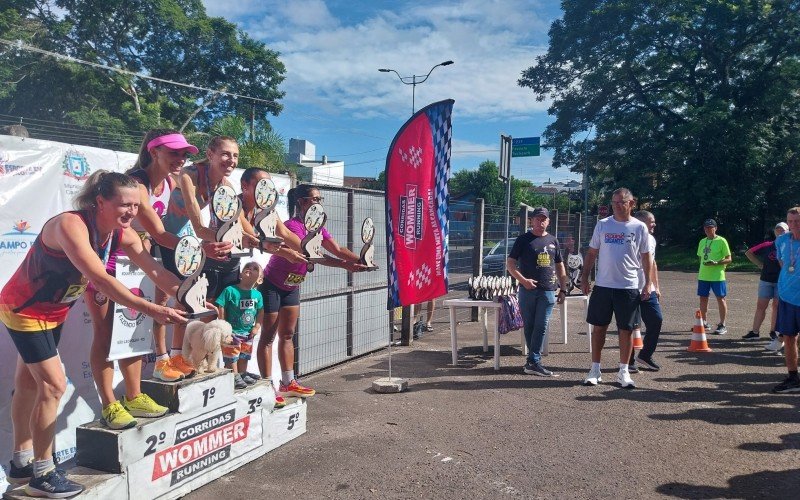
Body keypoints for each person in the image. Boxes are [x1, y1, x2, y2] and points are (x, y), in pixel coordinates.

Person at [0, 171, 187, 498]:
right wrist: (151, 309)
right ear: (99, 201)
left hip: (53, 313)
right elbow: (100, 280)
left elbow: (154, 270)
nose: (130, 212)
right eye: (123, 205)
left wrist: (189, 294)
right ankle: (43, 474)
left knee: (29, 384)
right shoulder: (70, 225)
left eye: (135, 205)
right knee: (53, 385)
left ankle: (21, 461)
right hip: (25, 310)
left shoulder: (121, 233)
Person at [160, 135, 259, 377]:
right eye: (226, 154)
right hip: (167, 239)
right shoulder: (190, 175)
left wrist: (256, 238)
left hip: (188, 244)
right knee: (163, 305)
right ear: (211, 153)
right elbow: (198, 225)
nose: (231, 160)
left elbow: (236, 219)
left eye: (235, 155)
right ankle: (164, 361)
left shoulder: (226, 184)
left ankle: (182, 359)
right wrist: (220, 239)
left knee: (187, 303)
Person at [257, 184, 367, 399]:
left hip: (292, 287)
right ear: (302, 202)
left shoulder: (318, 228)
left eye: (320, 199)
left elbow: (337, 250)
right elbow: (314, 256)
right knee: (268, 338)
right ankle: (266, 388)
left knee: (287, 335)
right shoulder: (292, 226)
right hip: (272, 285)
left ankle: (288, 382)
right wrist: (345, 265)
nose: (318, 203)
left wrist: (364, 260)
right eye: (315, 199)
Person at [237, 167, 308, 407]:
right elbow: (258, 240)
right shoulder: (233, 205)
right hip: (233, 279)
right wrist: (288, 253)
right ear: (245, 185)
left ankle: (286, 381)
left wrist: (309, 252)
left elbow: (285, 234)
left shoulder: (268, 211)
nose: (265, 190)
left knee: (281, 334)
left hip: (266, 284)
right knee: (245, 335)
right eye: (260, 185)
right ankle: (264, 385)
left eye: (268, 185)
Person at [580, 188, 652, 389]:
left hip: (628, 286)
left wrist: (649, 282)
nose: (618, 206)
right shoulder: (603, 225)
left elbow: (647, 257)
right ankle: (595, 369)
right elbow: (592, 253)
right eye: (614, 202)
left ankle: (623, 371)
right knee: (598, 328)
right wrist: (584, 277)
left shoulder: (639, 228)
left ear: (632, 203)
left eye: (622, 202)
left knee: (626, 330)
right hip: (603, 285)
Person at [506, 207, 568, 376]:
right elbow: (510, 264)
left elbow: (560, 265)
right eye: (538, 219)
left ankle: (533, 360)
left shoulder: (553, 241)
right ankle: (533, 361)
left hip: (548, 290)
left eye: (544, 219)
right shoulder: (523, 240)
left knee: (541, 325)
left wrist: (563, 289)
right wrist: (523, 281)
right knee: (530, 325)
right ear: (531, 221)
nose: (541, 222)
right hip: (527, 290)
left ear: (548, 221)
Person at [216, 261, 264, 389]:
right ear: (240, 274)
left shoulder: (257, 295)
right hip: (232, 333)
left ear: (260, 279)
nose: (250, 268)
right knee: (231, 356)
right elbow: (221, 305)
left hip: (248, 333)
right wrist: (224, 326)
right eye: (247, 267)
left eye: (255, 268)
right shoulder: (230, 290)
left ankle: (242, 374)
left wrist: (257, 327)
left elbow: (260, 311)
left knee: (244, 355)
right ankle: (234, 376)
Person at [628, 210, 663, 372]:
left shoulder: (652, 239)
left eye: (654, 221)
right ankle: (628, 361)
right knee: (629, 325)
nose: (654, 224)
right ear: (641, 222)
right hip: (630, 288)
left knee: (656, 320)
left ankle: (645, 355)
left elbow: (653, 263)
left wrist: (656, 286)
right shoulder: (631, 237)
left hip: (648, 289)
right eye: (651, 221)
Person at [771, 208, 800, 393]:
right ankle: (793, 377)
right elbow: (783, 264)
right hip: (787, 297)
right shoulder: (781, 240)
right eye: (790, 221)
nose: (793, 225)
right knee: (788, 337)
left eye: (797, 221)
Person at [743, 222, 787, 340]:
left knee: (777, 307)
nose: (779, 232)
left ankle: (773, 332)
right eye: (777, 229)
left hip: (781, 282)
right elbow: (749, 252)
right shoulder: (767, 245)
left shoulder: (789, 246)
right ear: (774, 232)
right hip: (766, 280)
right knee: (761, 306)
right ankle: (755, 332)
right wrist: (759, 264)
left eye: (782, 230)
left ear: (787, 231)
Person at [696, 219, 732, 335]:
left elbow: (729, 258)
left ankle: (722, 324)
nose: (708, 230)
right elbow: (700, 258)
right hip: (703, 275)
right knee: (703, 299)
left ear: (715, 228)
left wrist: (717, 263)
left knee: (720, 299)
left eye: (710, 227)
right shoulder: (702, 241)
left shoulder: (722, 241)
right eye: (706, 228)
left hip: (717, 276)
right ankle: (704, 322)